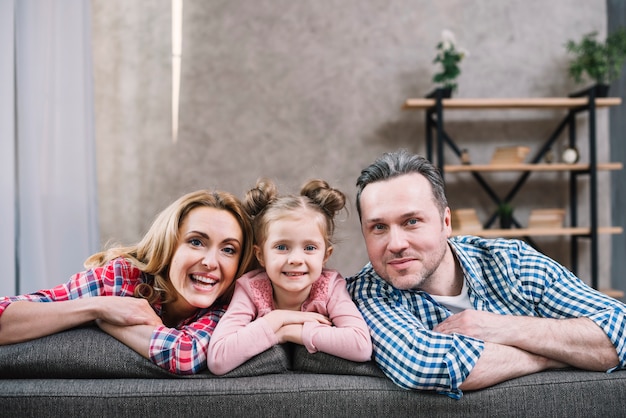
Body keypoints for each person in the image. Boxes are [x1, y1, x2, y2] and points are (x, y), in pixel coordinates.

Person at [346, 149, 626, 399]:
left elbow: (621, 326)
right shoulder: (368, 293)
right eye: (378, 228)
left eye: (412, 221)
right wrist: (554, 354)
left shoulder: (510, 261)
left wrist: (504, 328)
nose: (396, 244)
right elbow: (427, 366)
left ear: (446, 222)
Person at [0, 189, 255, 375]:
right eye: (196, 242)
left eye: (229, 249)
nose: (211, 262)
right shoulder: (121, 277)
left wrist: (104, 322)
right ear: (169, 244)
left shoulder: (230, 303)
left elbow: (185, 355)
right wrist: (99, 307)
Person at [207, 178, 372, 375]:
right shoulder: (251, 288)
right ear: (260, 255)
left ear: (325, 256)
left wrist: (290, 332)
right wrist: (279, 319)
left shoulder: (330, 286)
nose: (295, 259)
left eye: (309, 248)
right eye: (282, 247)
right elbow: (218, 358)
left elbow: (361, 345)